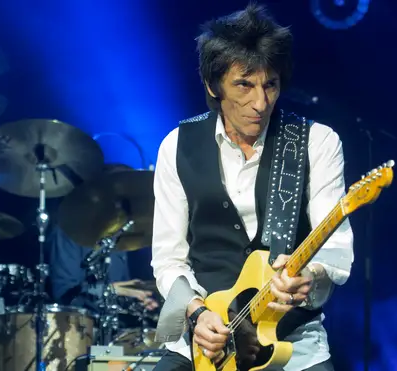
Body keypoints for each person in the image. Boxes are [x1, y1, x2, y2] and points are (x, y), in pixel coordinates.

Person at [151, 4, 353, 371]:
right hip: (204, 346)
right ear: (213, 85)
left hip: (292, 347)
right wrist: (196, 315)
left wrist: (311, 275)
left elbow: (336, 251)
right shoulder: (176, 145)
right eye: (244, 84)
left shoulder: (316, 142)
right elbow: (168, 259)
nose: (260, 103)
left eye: (270, 84)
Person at [48, 164, 159, 314]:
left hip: (112, 330)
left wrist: (135, 299)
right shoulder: (69, 232)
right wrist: (110, 290)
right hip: (77, 328)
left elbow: (118, 291)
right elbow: (64, 294)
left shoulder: (121, 237)